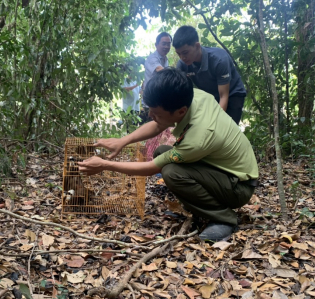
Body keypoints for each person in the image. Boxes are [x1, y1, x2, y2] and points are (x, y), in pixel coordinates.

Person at [78, 68, 259, 241]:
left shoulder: (198, 137)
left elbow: (151, 168)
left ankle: (224, 218)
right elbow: (158, 124)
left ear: (180, 111)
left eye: (155, 112)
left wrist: (105, 165)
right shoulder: (192, 96)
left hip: (239, 186)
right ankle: (196, 201)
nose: (150, 115)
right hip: (222, 168)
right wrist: (122, 141)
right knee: (162, 153)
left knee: (171, 172)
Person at [173, 25, 246, 124]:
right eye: (179, 54)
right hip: (211, 96)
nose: (182, 57)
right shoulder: (182, 65)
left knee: (226, 127)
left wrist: (214, 123)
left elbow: (224, 96)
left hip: (232, 93)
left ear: (197, 46)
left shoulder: (219, 60)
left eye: (185, 52)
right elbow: (181, 93)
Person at [140, 32, 172, 124]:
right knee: (151, 127)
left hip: (160, 100)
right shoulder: (152, 58)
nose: (166, 47)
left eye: (168, 44)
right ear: (156, 45)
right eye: (164, 44)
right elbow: (160, 71)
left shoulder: (165, 59)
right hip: (151, 100)